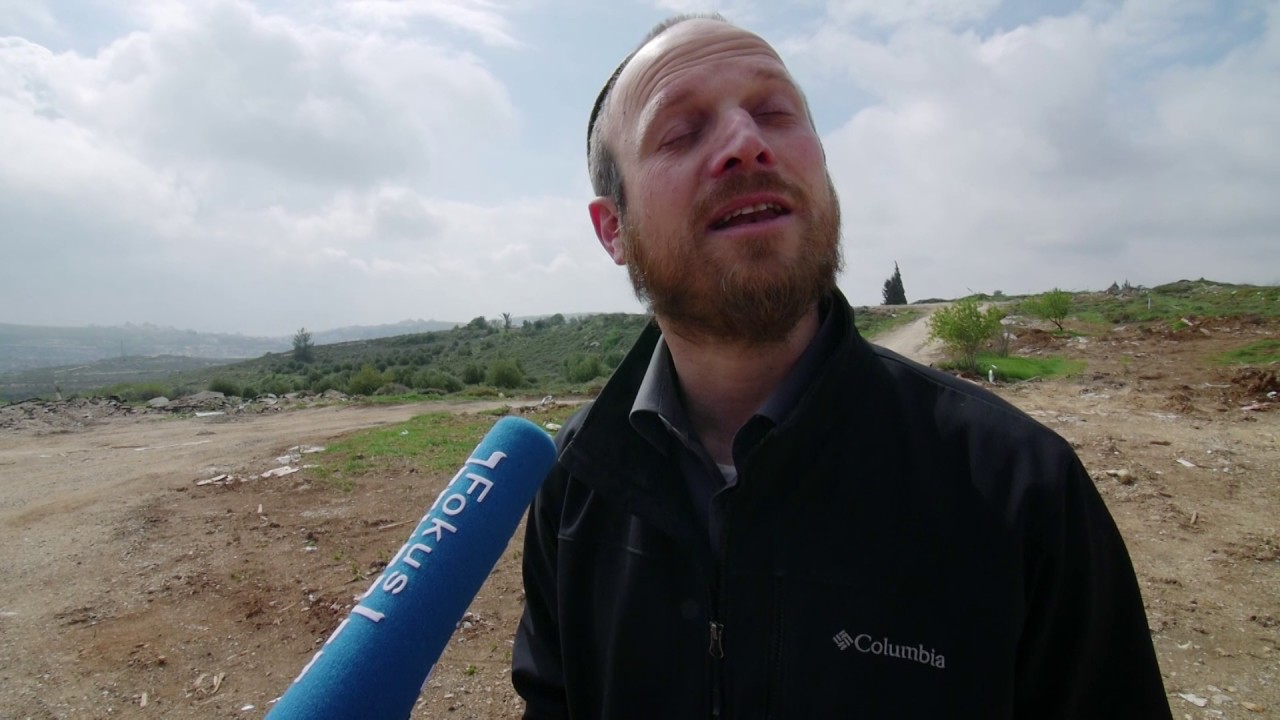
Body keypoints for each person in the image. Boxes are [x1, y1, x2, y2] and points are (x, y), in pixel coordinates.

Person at [512, 13, 1171, 719]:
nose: (746, 142)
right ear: (613, 228)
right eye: (681, 130)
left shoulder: (1020, 488)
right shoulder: (575, 482)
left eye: (775, 112)